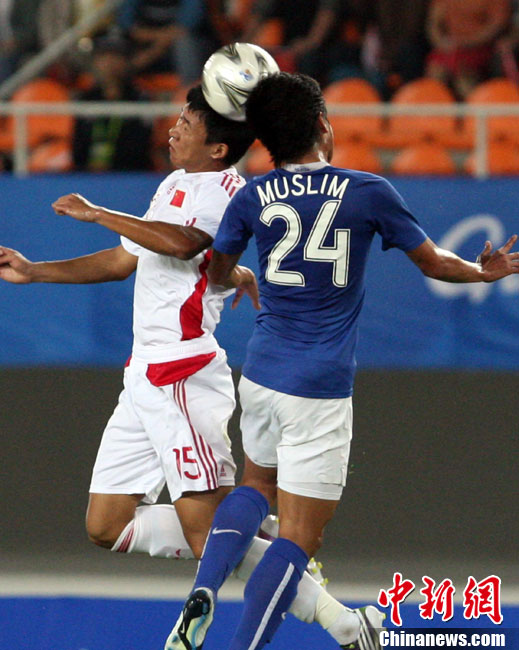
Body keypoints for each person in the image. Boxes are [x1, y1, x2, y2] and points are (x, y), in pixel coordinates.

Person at [0, 83, 359, 650]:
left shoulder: (230, 190)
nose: (172, 129)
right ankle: (269, 546)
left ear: (218, 148)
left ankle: (338, 617)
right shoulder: (174, 183)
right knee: (106, 525)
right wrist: (35, 270)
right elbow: (124, 259)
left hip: (185, 376)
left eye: (186, 124)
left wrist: (99, 213)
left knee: (205, 538)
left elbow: (186, 242)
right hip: (143, 374)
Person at [167, 72, 519, 650]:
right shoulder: (367, 191)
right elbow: (434, 263)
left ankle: (203, 590)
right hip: (319, 386)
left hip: (260, 371)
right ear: (324, 127)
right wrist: (483, 271)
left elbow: (219, 271)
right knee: (298, 539)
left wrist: (244, 275)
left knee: (255, 484)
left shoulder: (251, 196)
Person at [72, 34, 153, 172]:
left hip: (131, 173)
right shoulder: (85, 99)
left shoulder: (139, 98)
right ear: (95, 62)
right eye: (104, 57)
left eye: (117, 57)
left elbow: (142, 143)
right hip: (87, 174)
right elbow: (78, 143)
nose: (110, 63)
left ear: (127, 62)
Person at [425, 0, 511, 99]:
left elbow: (497, 25)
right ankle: (433, 104)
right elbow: (434, 23)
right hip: (450, 50)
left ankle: (475, 103)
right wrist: (441, 42)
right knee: (435, 71)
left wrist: (469, 41)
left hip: (480, 49)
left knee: (464, 82)